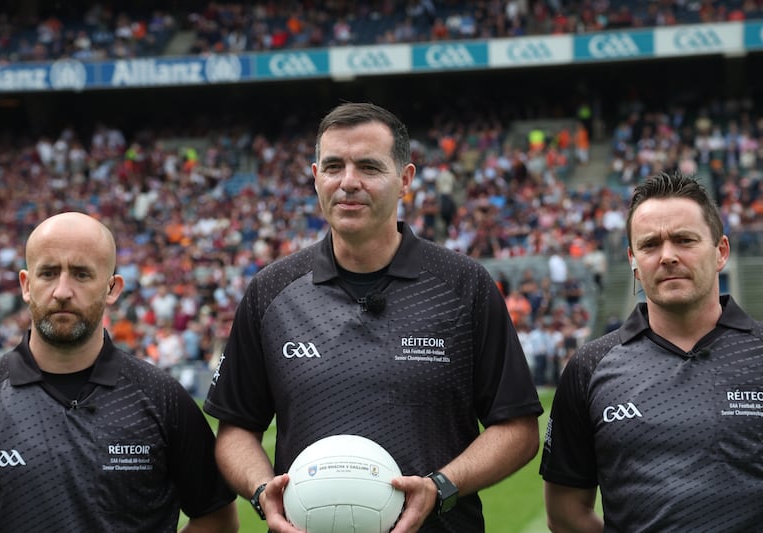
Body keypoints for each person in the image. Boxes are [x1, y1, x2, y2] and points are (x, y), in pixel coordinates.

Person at [204, 102, 543, 532]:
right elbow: (235, 430)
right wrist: (260, 489)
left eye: (368, 166)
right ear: (314, 177)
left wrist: (441, 487)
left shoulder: (465, 287)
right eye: (333, 167)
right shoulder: (271, 292)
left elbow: (517, 428)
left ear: (404, 180)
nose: (348, 182)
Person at [0, 212, 239, 533]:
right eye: (49, 273)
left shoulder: (163, 399)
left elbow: (216, 516)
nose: (62, 290)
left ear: (112, 288)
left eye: (81, 274)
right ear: (26, 285)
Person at [540, 171, 763, 531]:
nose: (668, 256)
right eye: (650, 245)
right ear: (633, 259)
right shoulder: (589, 367)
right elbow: (565, 511)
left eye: (684, 240)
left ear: (720, 252)